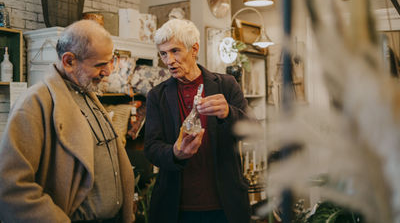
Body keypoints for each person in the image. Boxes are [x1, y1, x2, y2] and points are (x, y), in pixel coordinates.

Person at [0, 20, 135, 223]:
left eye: (111, 61)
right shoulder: (34, 103)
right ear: (69, 61)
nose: (109, 71)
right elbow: (11, 187)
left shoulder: (87, 92)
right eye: (100, 64)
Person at [144, 19, 251, 223]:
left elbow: (253, 131)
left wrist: (229, 113)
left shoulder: (226, 85)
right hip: (176, 209)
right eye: (163, 53)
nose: (169, 61)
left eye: (175, 51)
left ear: (194, 49)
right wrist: (175, 153)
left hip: (225, 207)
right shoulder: (156, 96)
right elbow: (151, 148)